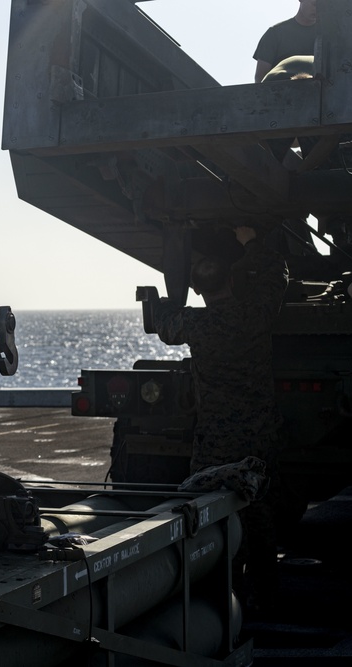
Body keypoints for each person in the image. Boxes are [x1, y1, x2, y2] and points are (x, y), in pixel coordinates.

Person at [152, 226, 289, 609]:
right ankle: (267, 590)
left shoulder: (195, 324)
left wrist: (162, 305)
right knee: (259, 510)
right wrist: (252, 242)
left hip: (214, 437)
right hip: (258, 433)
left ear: (198, 290)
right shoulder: (255, 314)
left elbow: (165, 327)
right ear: (232, 279)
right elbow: (277, 274)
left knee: (210, 508)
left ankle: (222, 587)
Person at [253, 0, 318, 83]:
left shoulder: (331, 37)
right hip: (281, 92)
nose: (317, 9)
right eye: (315, 4)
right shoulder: (275, 33)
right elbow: (260, 78)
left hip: (320, 93)